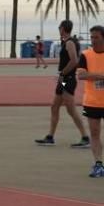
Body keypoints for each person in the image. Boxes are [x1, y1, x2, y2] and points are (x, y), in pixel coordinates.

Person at [35, 19, 89, 148]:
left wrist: (62, 73)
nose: (59, 30)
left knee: (71, 110)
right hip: (63, 80)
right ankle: (50, 137)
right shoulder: (67, 42)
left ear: (63, 29)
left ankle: (85, 137)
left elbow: (74, 61)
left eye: (60, 28)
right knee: (54, 107)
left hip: (67, 80)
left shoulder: (70, 42)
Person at [76, 25, 104, 177]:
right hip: (92, 102)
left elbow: (87, 75)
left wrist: (91, 75)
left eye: (96, 37)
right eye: (91, 37)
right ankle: (98, 164)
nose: (93, 40)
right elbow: (81, 75)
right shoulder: (86, 55)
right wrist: (101, 76)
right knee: (94, 133)